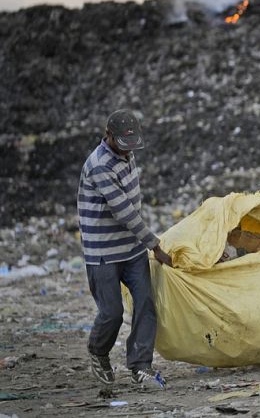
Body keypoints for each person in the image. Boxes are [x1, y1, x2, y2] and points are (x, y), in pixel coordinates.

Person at [77, 109, 172, 387]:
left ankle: (140, 365)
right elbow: (124, 213)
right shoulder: (99, 166)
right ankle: (98, 350)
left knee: (145, 304)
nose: (128, 150)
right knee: (112, 313)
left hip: (131, 250)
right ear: (108, 135)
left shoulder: (127, 153)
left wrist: (144, 245)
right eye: (122, 143)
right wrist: (154, 245)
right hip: (103, 253)